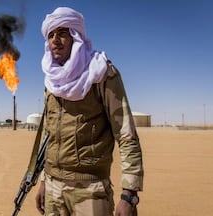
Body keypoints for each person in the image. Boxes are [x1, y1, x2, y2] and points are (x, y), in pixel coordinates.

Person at [34, 7, 144, 216]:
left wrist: (130, 193)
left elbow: (126, 133)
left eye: (62, 33)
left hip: (91, 190)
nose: (55, 40)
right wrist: (43, 181)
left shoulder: (101, 73)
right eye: (51, 35)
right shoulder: (51, 81)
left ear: (75, 37)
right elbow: (49, 135)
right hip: (53, 188)